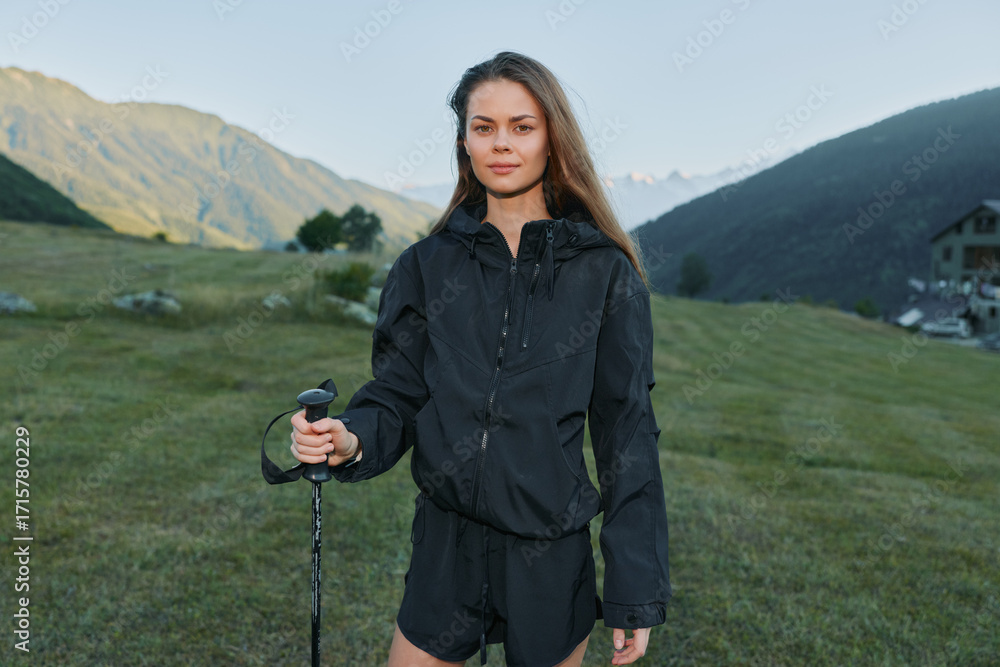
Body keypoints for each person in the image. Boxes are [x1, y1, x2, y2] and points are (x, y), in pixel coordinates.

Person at [290, 50, 671, 667]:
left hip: (550, 556)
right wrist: (348, 438)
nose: (502, 144)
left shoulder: (604, 274)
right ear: (464, 140)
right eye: (483, 126)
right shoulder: (425, 265)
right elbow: (398, 394)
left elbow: (627, 434)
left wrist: (634, 592)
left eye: (522, 126)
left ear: (553, 138)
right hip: (445, 546)